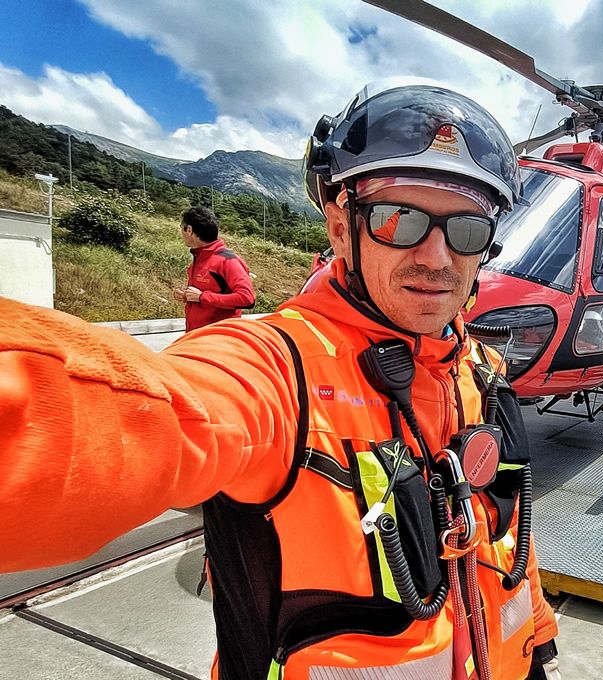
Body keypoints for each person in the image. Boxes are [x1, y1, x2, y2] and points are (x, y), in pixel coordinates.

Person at [0, 82, 560, 680]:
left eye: (467, 231)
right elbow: (153, 412)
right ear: (342, 227)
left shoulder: (480, 371)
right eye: (401, 221)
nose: (437, 257)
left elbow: (507, 554)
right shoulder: (276, 367)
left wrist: (539, 647)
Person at [173, 205, 256, 331]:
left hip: (219, 338)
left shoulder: (228, 260)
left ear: (189, 230)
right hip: (196, 334)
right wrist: (188, 296)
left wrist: (202, 297)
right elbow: (211, 294)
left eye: (182, 228)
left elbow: (247, 299)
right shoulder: (200, 257)